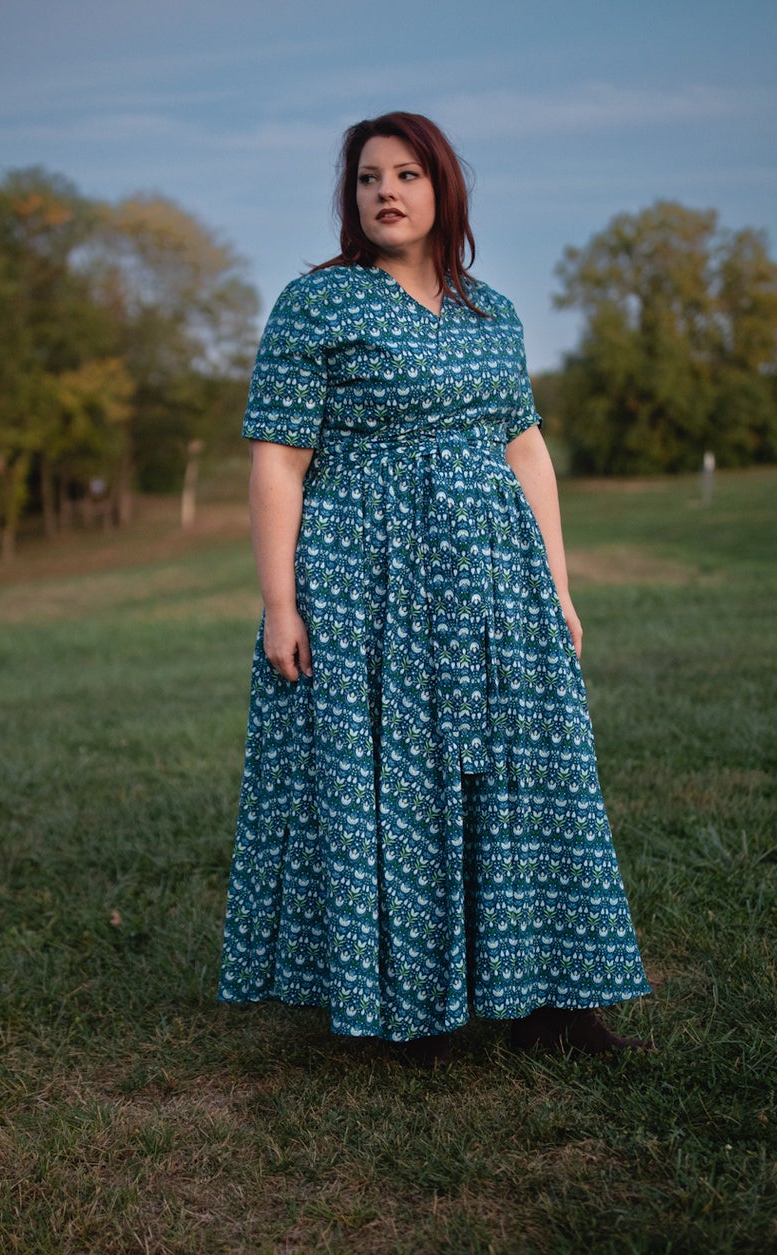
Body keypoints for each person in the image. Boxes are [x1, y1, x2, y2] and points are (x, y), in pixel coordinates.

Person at [218, 111, 653, 1066]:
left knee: (530, 775)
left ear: (441, 187)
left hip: (498, 581)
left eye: (407, 174)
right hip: (364, 582)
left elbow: (525, 447)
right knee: (396, 782)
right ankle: (410, 1006)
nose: (386, 191)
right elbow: (279, 464)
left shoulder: (492, 312)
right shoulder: (317, 305)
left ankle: (557, 1004)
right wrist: (281, 603)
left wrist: (561, 589)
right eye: (369, 176)